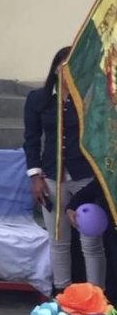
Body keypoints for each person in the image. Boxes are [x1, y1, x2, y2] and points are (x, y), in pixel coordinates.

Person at [24, 46, 106, 290]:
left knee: (91, 241)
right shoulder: (39, 99)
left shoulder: (92, 99)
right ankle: (63, 295)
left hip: (85, 176)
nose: (67, 69)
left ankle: (95, 297)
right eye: (63, 64)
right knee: (58, 239)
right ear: (56, 67)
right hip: (51, 176)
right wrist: (35, 175)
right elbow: (31, 139)